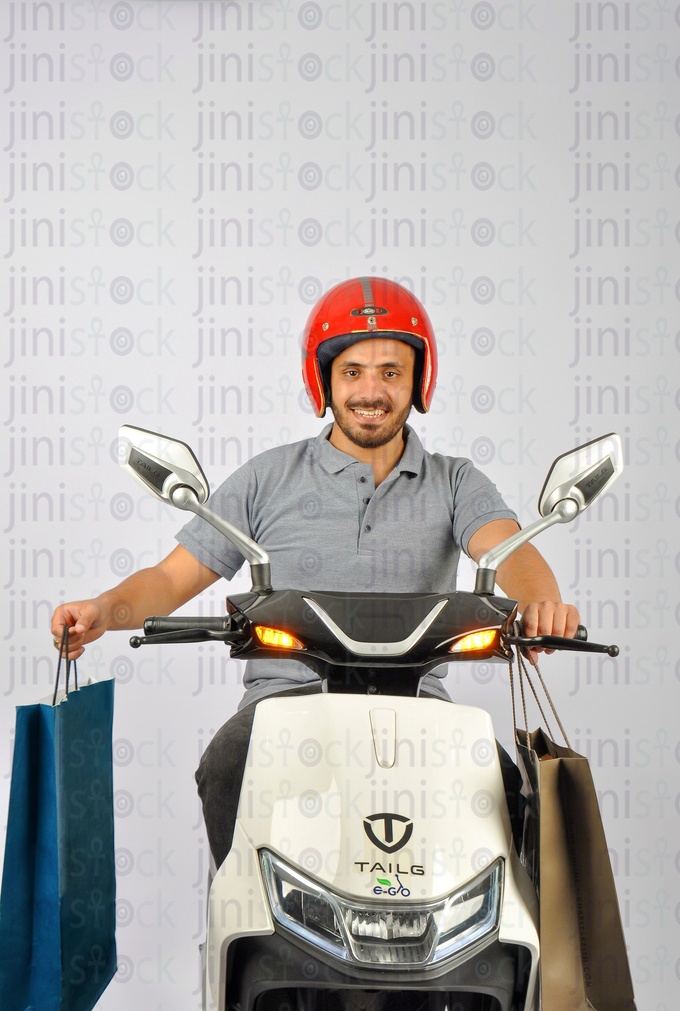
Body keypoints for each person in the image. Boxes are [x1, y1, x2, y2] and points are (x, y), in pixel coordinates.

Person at [51, 276, 579, 863]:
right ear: (324, 379)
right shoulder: (267, 478)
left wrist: (541, 602)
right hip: (284, 710)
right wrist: (104, 609)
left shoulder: (454, 482)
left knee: (510, 796)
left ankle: (497, 951)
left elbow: (509, 551)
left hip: (420, 713)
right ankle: (245, 938)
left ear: (418, 380)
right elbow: (172, 577)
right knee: (227, 766)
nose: (370, 390)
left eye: (390, 371)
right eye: (352, 371)